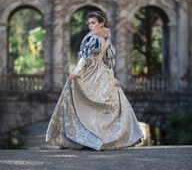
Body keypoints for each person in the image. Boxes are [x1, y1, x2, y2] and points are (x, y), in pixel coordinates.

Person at [46, 11, 144, 151]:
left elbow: (86, 58)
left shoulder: (93, 38)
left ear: (101, 23)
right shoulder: (107, 40)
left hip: (91, 73)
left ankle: (88, 140)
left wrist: (76, 71)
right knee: (98, 108)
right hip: (102, 74)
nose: (90, 26)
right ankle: (97, 139)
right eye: (89, 23)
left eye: (93, 23)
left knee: (83, 104)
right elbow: (107, 63)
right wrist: (112, 78)